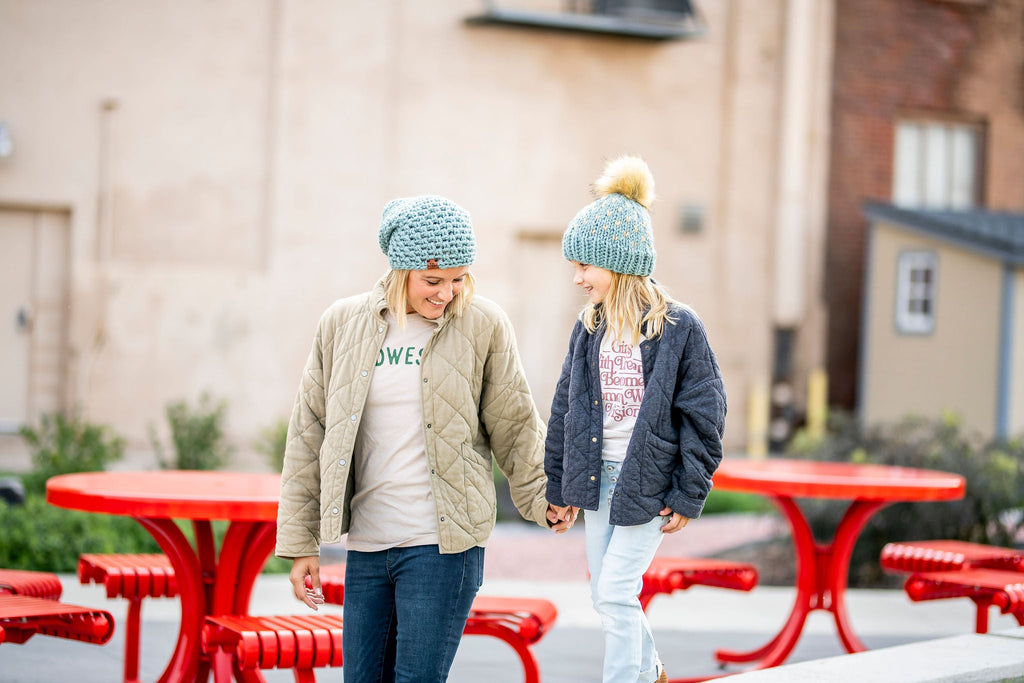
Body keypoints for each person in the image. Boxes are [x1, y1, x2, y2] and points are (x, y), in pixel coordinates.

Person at [275, 194, 573, 682]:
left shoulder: (483, 325)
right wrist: (301, 543)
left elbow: (515, 422)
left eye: (458, 279)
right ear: (400, 271)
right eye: (432, 281)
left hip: (442, 548)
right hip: (368, 546)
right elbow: (310, 436)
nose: (446, 293)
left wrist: (544, 496)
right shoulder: (341, 324)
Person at [544, 156, 727, 683]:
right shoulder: (589, 329)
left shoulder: (678, 328)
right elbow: (565, 411)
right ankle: (651, 670)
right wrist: (560, 488)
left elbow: (705, 414)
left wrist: (688, 492)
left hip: (646, 483)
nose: (578, 278)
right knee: (606, 593)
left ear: (619, 263)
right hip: (599, 481)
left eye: (585, 266)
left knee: (617, 591)